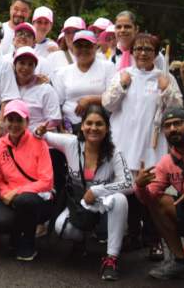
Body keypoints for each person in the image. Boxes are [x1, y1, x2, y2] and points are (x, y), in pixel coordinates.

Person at [102, 33, 182, 260]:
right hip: (123, 142)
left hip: (151, 145)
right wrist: (123, 86)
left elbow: (177, 110)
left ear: (156, 53)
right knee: (127, 191)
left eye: (148, 49)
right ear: (133, 51)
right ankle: (133, 234)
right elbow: (108, 103)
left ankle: (154, 239)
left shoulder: (165, 78)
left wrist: (166, 90)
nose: (143, 53)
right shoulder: (123, 75)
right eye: (138, 48)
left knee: (151, 193)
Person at [34, 105, 133, 281]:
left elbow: (129, 184)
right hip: (79, 205)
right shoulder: (71, 143)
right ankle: (81, 243)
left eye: (99, 124)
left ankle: (111, 258)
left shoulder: (115, 152)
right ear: (82, 125)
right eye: (89, 123)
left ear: (107, 128)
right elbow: (42, 135)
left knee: (120, 199)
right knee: (60, 227)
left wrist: (97, 191)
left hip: (105, 209)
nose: (93, 128)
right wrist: (38, 130)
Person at [135, 108, 184, 280]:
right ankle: (180, 261)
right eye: (167, 126)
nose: (173, 128)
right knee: (158, 201)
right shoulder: (166, 162)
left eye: (178, 123)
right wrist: (140, 186)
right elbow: (149, 200)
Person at [0, 100, 54, 261]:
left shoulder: (39, 143)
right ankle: (16, 235)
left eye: (19, 120)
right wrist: (4, 194)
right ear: (4, 121)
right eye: (10, 119)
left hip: (37, 198)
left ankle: (28, 241)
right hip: (10, 197)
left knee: (26, 201)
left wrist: (16, 192)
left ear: (27, 122)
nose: (14, 124)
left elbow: (47, 181)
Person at [52, 30, 116, 133]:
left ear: (95, 47)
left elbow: (114, 97)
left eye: (88, 46)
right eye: (79, 46)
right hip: (72, 127)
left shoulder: (107, 67)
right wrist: (61, 127)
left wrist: (90, 100)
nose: (83, 49)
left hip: (100, 127)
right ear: (73, 48)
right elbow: (57, 104)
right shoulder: (63, 72)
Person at [11, 47, 61, 132]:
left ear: (35, 67)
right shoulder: (8, 86)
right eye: (22, 63)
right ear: (15, 65)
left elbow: (55, 119)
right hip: (14, 138)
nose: (26, 67)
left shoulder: (45, 89)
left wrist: (37, 131)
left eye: (30, 64)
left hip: (40, 138)